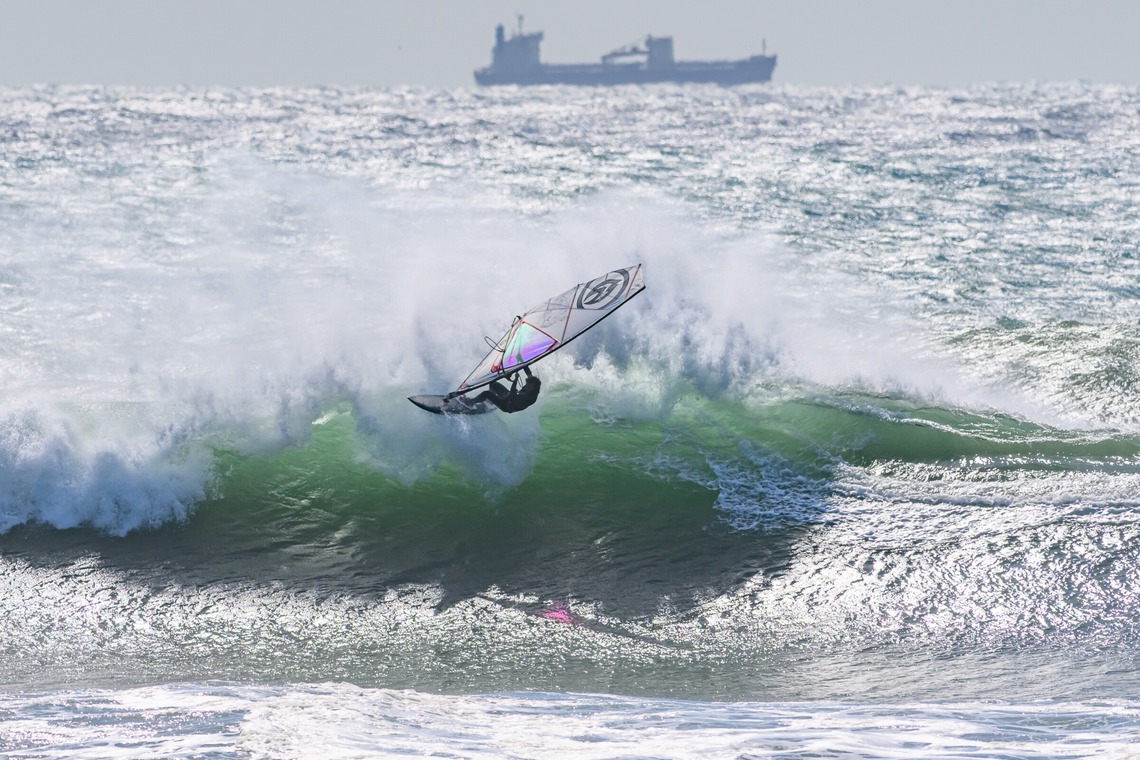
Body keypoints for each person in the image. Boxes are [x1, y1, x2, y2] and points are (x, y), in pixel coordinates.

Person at [468, 365, 541, 413]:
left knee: (486, 393)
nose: (526, 387)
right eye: (527, 385)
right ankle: (490, 401)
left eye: (528, 386)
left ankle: (471, 402)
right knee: (492, 383)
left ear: (533, 388)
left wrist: (516, 379)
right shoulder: (532, 385)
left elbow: (513, 394)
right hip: (507, 396)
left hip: (506, 405)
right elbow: (529, 373)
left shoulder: (530, 398)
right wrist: (522, 362)